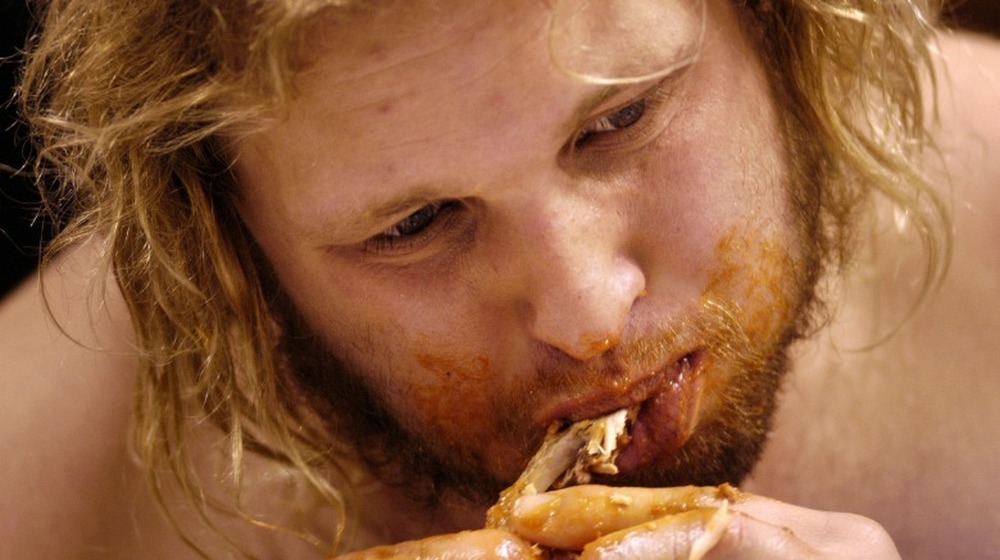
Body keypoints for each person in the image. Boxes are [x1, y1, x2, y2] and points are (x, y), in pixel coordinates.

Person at [1, 0, 997, 558]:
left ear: (780, 28)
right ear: (231, 260)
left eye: (618, 121)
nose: (587, 311)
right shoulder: (40, 478)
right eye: (414, 224)